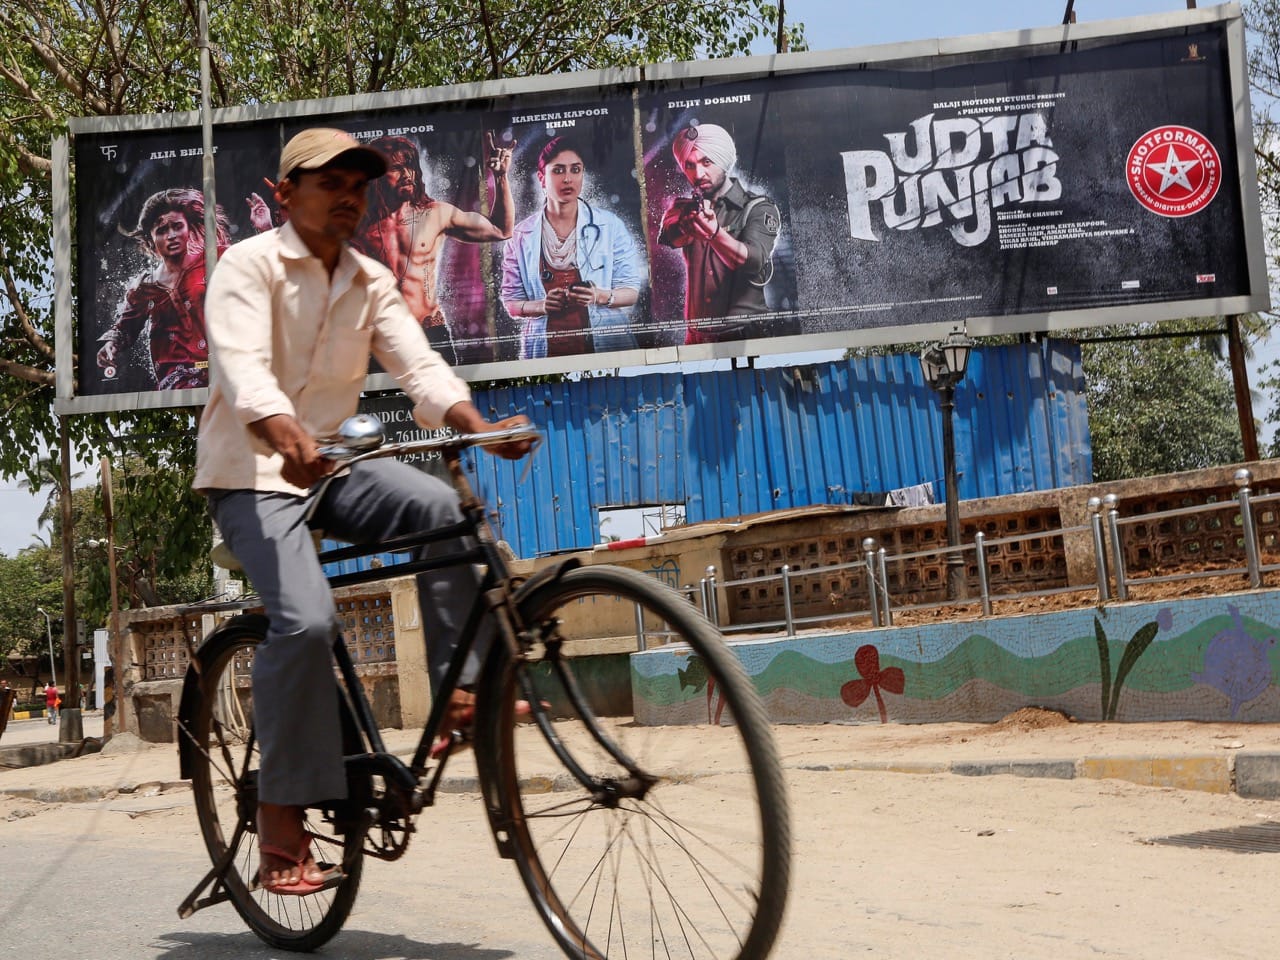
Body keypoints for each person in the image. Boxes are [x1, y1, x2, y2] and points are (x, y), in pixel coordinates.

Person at [193, 127, 533, 897]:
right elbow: (242, 370)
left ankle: (463, 692)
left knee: (447, 513)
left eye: (359, 184)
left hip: (333, 468)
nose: (349, 196)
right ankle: (280, 817)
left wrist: (477, 426)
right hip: (248, 471)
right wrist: (284, 435)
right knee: (307, 623)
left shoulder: (371, 280)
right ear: (286, 194)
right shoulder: (245, 266)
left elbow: (418, 363)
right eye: (329, 183)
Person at [356, 133, 515, 365]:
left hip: (430, 334)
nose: (407, 175)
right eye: (396, 168)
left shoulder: (435, 214)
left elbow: (501, 230)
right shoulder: (359, 227)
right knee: (382, 402)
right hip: (381, 338)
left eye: (409, 165)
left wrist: (500, 177)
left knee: (445, 399)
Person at [97, 188, 272, 390]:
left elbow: (264, 270)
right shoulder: (144, 287)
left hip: (228, 371)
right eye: (162, 231)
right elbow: (124, 329)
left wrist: (265, 230)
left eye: (177, 226)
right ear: (150, 238)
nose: (171, 235)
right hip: (178, 383)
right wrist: (110, 346)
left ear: (188, 228)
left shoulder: (217, 258)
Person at [501, 136, 644, 359]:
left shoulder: (609, 226)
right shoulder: (521, 236)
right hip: (545, 351)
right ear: (542, 178)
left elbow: (631, 292)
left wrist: (598, 295)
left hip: (606, 347)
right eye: (558, 171)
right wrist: (542, 306)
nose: (568, 179)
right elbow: (511, 303)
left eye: (575, 170)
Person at [658, 122, 798, 344]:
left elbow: (753, 261)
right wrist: (687, 223)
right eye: (690, 165)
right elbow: (669, 235)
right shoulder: (683, 207)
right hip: (697, 339)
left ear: (724, 162)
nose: (698, 173)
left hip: (748, 337)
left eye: (706, 162)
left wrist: (715, 234)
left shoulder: (758, 207)